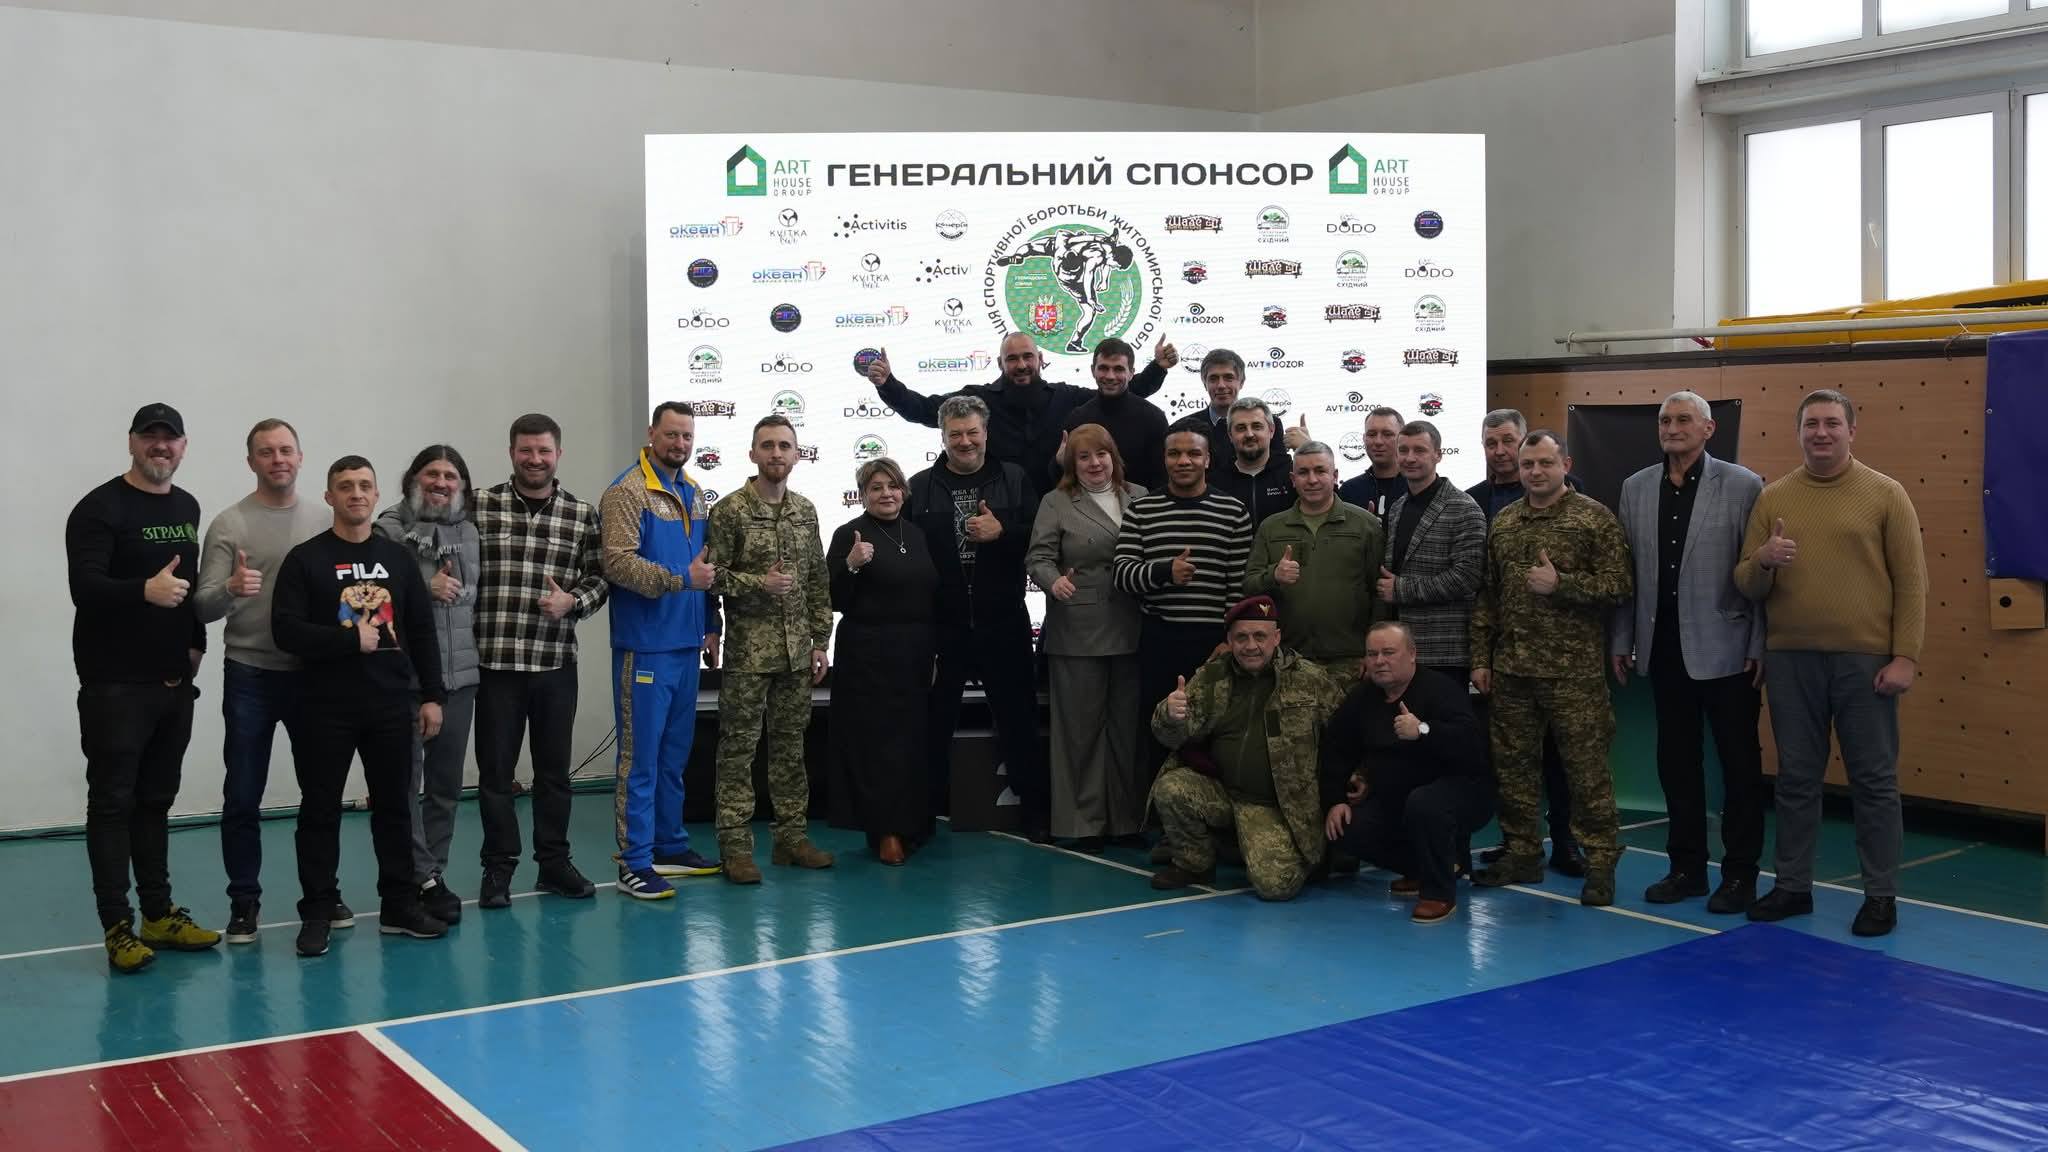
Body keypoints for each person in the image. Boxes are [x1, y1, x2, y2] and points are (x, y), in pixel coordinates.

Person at [1734, 388, 1926, 938]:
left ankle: (1881, 896)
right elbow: (1745, 581)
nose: (1821, 432)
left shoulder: (1886, 494)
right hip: (1791, 660)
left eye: (1832, 423)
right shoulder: (1774, 497)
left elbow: (1912, 583)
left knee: (1874, 781)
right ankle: (1793, 886)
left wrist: (1905, 657)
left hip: (1866, 664)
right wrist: (1764, 561)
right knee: (1796, 779)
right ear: (1799, 433)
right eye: (1811, 424)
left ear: (1851, 431)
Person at [67, 403, 221, 973]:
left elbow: (190, 585)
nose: (161, 446)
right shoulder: (99, 508)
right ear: (132, 442)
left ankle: (158, 914)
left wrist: (197, 641)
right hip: (115, 686)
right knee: (112, 804)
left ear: (183, 445)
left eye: (170, 438)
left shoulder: (187, 506)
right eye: (150, 436)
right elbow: (84, 586)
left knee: (155, 802)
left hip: (173, 685)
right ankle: (117, 927)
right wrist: (142, 591)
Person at [273, 456, 448, 957]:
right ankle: (318, 910)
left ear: (375, 495)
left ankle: (398, 905)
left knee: (394, 809)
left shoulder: (397, 560)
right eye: (345, 486)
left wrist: (432, 695)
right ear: (329, 496)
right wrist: (350, 640)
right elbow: (285, 630)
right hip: (323, 708)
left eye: (365, 485)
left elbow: (420, 631)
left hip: (390, 705)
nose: (356, 493)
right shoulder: (305, 559)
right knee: (320, 810)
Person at [1612, 391, 1767, 913]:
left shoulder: (1743, 485)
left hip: (1731, 652)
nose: (1672, 428)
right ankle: (1687, 869)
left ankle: (1740, 875)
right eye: (1665, 420)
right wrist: (1622, 638)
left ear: (1708, 429)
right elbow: (1627, 574)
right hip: (1663, 650)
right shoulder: (1635, 487)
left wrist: (1760, 643)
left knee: (1739, 767)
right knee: (1677, 765)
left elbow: (1758, 573)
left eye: (1683, 419)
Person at [1469, 431, 1632, 906]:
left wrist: (1562, 585)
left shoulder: (1594, 518)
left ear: (1566, 464)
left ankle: (1600, 862)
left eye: (1545, 463)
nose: (1535, 472)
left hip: (1573, 675)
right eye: (1528, 465)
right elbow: (1488, 596)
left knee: (1587, 772)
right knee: (1514, 769)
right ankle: (1522, 853)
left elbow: (1619, 585)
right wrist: (1481, 658)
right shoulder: (1504, 522)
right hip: (1513, 670)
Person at [194, 418, 329, 944]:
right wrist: (230, 588)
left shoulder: (325, 518)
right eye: (266, 452)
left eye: (286, 450)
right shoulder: (229, 524)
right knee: (243, 794)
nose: (278, 459)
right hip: (250, 673)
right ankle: (244, 902)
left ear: (301, 457)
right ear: (251, 460)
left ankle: (322, 894)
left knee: (320, 793)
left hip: (312, 675)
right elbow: (202, 607)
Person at [471, 414, 609, 908]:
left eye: (544, 451)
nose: (535, 459)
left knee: (554, 774)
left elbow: (600, 578)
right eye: (526, 450)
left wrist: (573, 601)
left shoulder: (581, 514)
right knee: (495, 776)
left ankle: (553, 863)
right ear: (511, 452)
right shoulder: (479, 506)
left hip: (554, 665)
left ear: (558, 455)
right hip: (494, 665)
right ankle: (498, 868)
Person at [905, 395, 1049, 840]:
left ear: (986, 433)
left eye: (972, 432)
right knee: (932, 725)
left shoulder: (1014, 478)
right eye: (955, 434)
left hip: (1003, 620)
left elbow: (1041, 538)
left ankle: (1037, 815)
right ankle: (921, 818)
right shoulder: (920, 486)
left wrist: (1003, 531)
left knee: (1019, 722)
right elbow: (906, 553)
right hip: (942, 626)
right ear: (942, 437)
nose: (964, 441)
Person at [600, 403, 723, 901]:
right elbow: (616, 563)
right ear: (652, 432)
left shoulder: (693, 492)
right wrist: (679, 580)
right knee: (640, 761)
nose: (680, 444)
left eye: (687, 436)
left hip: (686, 646)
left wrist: (710, 625)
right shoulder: (627, 492)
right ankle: (634, 861)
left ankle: (669, 846)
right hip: (645, 648)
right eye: (671, 434)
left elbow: (705, 568)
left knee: (673, 758)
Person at [1147, 596, 1347, 900]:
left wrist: (1357, 779)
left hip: (1278, 806)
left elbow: (1348, 735)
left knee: (1276, 886)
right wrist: (1170, 715)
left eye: (1259, 636)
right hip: (1223, 792)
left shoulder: (1310, 680)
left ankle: (1300, 852)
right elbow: (1170, 736)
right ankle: (1194, 864)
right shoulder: (1213, 677)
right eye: (1241, 637)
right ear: (1229, 641)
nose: (1250, 646)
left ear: (1276, 637)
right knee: (1171, 788)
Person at [707, 415, 835, 883]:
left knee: (790, 748)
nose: (776, 453)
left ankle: (791, 839)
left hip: (796, 654)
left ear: (797, 454)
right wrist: (758, 582)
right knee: (738, 750)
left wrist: (820, 641)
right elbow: (711, 578)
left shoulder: (805, 510)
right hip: (748, 655)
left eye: (784, 445)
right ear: (753, 454)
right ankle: (736, 849)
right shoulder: (730, 511)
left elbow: (818, 579)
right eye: (767, 445)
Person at [1466, 408, 1580, 874]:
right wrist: (1482, 655)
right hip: (1506, 657)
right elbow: (1485, 590)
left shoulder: (1576, 504)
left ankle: (1567, 842)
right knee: (1512, 758)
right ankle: (1518, 844)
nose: (1500, 451)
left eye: (1508, 441)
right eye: (1490, 443)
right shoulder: (1473, 501)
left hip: (1563, 660)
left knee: (1561, 757)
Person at [1322, 622, 1493, 923]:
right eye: (1372, 654)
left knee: (1426, 803)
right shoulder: (1363, 697)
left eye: (1389, 652)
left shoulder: (1441, 689)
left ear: (1412, 654)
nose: (1379, 661)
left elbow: (1470, 745)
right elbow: (1337, 749)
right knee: (1345, 827)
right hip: (1400, 797)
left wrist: (1423, 730)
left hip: (1463, 791)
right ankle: (1423, 868)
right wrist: (1336, 799)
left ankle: (1438, 894)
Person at [373, 446, 480, 925]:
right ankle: (416, 876)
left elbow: (473, 597)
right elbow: (374, 600)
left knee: (445, 789)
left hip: (461, 679)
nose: (441, 483)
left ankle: (434, 876)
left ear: (462, 485)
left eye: (450, 475)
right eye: (432, 473)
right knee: (403, 789)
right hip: (408, 682)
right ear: (413, 478)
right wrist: (424, 586)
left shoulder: (470, 532)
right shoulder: (388, 531)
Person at [1027, 424, 1147, 851]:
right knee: (1080, 733)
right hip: (1078, 630)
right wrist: (1053, 581)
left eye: (1101, 454)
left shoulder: (1140, 496)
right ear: (1071, 464)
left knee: (1127, 732)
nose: (1095, 464)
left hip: (1134, 628)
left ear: (1114, 457)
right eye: (1084, 457)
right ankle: (1082, 824)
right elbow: (1038, 557)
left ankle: (1126, 820)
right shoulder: (1056, 501)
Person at [1113, 419, 1253, 784]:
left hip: (1215, 645)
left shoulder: (1233, 511)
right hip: (1160, 640)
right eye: (1174, 453)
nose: (1184, 461)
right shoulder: (1142, 510)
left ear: (1208, 459)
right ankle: (1159, 811)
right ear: (1164, 459)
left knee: (1215, 736)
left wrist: (1230, 640)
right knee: (1160, 734)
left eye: (1193, 453)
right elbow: (1122, 575)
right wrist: (1165, 571)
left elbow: (1239, 585)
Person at [868, 331, 1174, 492]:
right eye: (1012, 359)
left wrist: (1157, 369)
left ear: (1040, 359)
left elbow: (1116, 393)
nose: (1022, 364)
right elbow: (924, 410)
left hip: (1058, 511)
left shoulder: (1066, 397)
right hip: (998, 515)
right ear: (1000, 363)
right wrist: (888, 385)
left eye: (1028, 356)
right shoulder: (978, 399)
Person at [826, 457, 939, 864]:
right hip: (868, 653)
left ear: (904, 492)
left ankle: (913, 824)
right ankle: (885, 831)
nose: (886, 494)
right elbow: (832, 598)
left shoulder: (918, 534)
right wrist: (851, 566)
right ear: (863, 495)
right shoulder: (848, 535)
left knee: (912, 741)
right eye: (876, 488)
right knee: (877, 744)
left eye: (892, 486)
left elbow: (930, 595)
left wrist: (934, 650)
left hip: (915, 651)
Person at [1244, 441, 1383, 681]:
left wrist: (1374, 651)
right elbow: (1249, 586)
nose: (1312, 480)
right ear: (1292, 479)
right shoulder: (1271, 527)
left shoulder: (1365, 525)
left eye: (1320, 471)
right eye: (1303, 472)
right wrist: (1274, 575)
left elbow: (1380, 593)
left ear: (1335, 476)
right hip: (1288, 659)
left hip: (1350, 658)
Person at [1377, 421, 1488, 683]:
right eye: (1403, 450)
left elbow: (1467, 578)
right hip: (1401, 649)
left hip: (1443, 651)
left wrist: (1401, 589)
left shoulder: (1464, 508)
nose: (1410, 458)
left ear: (1438, 454)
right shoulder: (1398, 507)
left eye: (1420, 450)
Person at [1061, 338, 1169, 492]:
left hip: (1143, 505)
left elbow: (1162, 479)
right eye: (1103, 368)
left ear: (1131, 373)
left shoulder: (1154, 418)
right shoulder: (1077, 419)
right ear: (1093, 370)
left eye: (1118, 369)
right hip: (1088, 505)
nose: (1110, 376)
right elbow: (1066, 479)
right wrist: (1059, 463)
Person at [1208, 396, 1295, 530]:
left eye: (1257, 426)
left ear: (1271, 431)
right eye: (1241, 428)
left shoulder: (1293, 474)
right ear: (1230, 435)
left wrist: (1308, 449)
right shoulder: (1215, 482)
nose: (1249, 434)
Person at [1335, 408, 1409, 522]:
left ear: (1402, 439)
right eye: (1372, 434)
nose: (1378, 441)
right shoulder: (1348, 490)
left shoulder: (1417, 488)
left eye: (1387, 434)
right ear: (1364, 439)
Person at [1192, 348, 1245, 463]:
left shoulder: (1266, 425)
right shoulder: (1187, 428)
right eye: (1213, 379)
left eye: (1228, 378)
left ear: (1241, 382)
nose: (1221, 385)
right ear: (1205, 384)